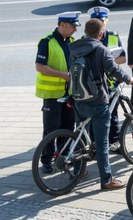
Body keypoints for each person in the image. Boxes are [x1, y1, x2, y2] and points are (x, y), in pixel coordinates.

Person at [69, 18, 133, 190]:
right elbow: (114, 70)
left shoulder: (76, 47)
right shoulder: (101, 49)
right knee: (102, 143)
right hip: (97, 100)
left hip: (79, 98)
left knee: (80, 135)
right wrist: (129, 79)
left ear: (85, 32)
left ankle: (79, 170)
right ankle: (106, 180)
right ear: (101, 34)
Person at [35, 11, 81, 174]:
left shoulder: (72, 41)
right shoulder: (47, 41)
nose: (75, 30)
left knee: (68, 127)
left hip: (68, 94)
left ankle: (62, 157)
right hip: (52, 95)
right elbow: (40, 66)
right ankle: (46, 160)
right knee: (51, 129)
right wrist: (62, 75)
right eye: (72, 27)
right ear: (62, 25)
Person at [87, 6, 126, 154]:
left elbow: (123, 58)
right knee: (94, 117)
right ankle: (95, 145)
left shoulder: (113, 36)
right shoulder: (88, 39)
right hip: (95, 85)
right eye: (98, 21)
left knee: (113, 114)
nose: (101, 23)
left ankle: (114, 142)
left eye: (103, 21)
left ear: (107, 21)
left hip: (111, 83)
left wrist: (110, 60)